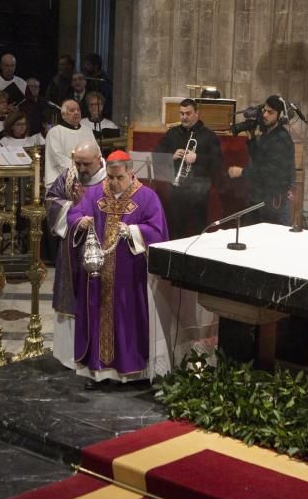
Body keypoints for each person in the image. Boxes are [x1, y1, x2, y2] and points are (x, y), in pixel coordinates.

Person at [66, 150, 169, 385]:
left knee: (127, 320)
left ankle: (131, 371)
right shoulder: (94, 193)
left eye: (119, 177)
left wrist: (133, 231)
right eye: (110, 178)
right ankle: (98, 371)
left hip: (129, 276)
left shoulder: (147, 197)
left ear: (131, 173)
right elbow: (75, 213)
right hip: (98, 275)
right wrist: (80, 222)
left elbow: (158, 231)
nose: (113, 183)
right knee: (97, 316)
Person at [45, 141, 106, 369]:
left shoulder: (113, 176)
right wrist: (75, 212)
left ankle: (98, 352)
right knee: (71, 298)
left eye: (86, 164)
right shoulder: (70, 176)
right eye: (77, 163)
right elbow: (51, 201)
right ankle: (69, 355)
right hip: (72, 248)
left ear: (98, 158)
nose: (81, 168)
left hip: (102, 247)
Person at [155, 99, 221, 237]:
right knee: (176, 229)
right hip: (176, 191)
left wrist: (197, 158)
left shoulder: (209, 135)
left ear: (197, 113)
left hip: (199, 192)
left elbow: (218, 162)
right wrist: (170, 156)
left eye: (188, 113)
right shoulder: (172, 133)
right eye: (181, 113)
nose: (184, 117)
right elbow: (156, 155)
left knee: (198, 230)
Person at [227, 96, 295, 224]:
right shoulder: (267, 134)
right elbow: (259, 159)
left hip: (273, 203)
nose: (265, 115)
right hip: (259, 197)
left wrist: (241, 172)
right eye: (264, 110)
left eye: (270, 112)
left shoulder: (281, 139)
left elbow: (269, 171)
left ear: (280, 116)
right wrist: (252, 138)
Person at [44, 99, 91, 187]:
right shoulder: (55, 132)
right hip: (60, 182)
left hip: (87, 179)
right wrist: (81, 169)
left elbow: (96, 152)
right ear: (63, 115)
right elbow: (58, 159)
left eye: (78, 110)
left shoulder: (87, 131)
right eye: (72, 110)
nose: (76, 112)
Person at [81, 53, 113, 118]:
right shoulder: (88, 78)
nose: (85, 66)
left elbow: (106, 103)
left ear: (96, 66)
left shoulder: (104, 82)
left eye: (88, 64)